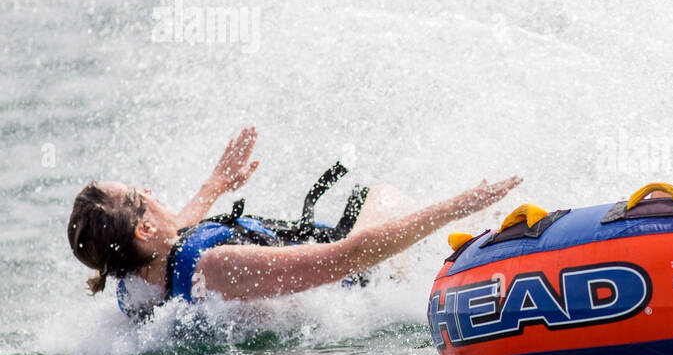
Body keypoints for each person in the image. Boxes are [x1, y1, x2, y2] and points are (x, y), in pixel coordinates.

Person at [67, 127, 521, 318]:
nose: (148, 191)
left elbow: (176, 232)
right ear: (142, 230)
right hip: (363, 278)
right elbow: (351, 255)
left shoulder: (130, 281)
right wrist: (456, 205)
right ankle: (503, 245)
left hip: (336, 272)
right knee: (382, 197)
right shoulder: (216, 266)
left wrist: (216, 184)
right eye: (138, 196)